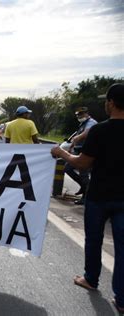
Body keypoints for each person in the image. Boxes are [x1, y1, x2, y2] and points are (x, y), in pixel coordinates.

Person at [51, 83, 124, 314]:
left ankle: (91, 279)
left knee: (94, 240)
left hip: (99, 196)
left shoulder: (99, 131)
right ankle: (122, 299)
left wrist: (62, 153)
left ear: (110, 103)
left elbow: (82, 163)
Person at [64, 107, 98, 205]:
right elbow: (76, 137)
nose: (79, 116)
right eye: (78, 115)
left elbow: (87, 133)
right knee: (67, 168)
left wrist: (78, 137)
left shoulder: (91, 122)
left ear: (87, 113)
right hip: (77, 150)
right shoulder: (82, 124)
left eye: (81, 114)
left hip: (86, 151)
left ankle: (86, 196)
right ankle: (84, 187)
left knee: (83, 173)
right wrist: (71, 146)